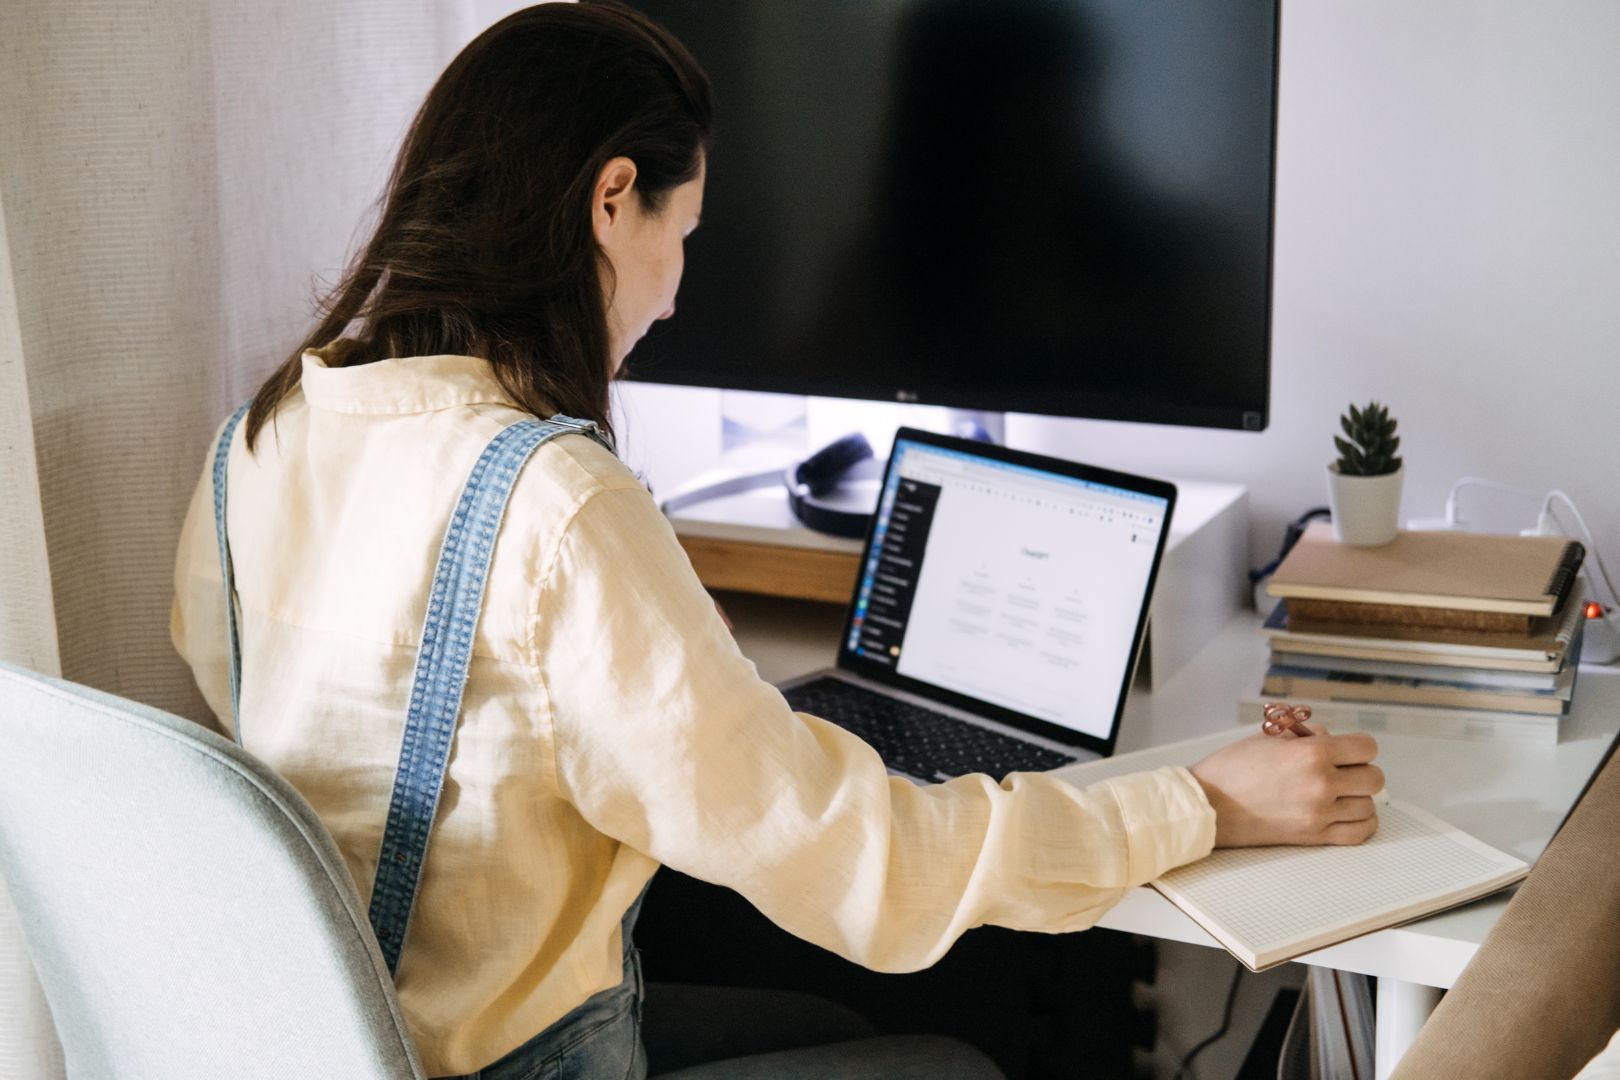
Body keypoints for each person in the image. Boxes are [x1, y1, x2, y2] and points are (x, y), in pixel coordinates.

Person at [170, 3, 1383, 1077]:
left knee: (831, 1028)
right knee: (949, 1064)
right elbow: (862, 861)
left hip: (338, 1034)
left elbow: (271, 723)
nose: (675, 292)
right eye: (684, 233)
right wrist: (1197, 804)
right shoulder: (559, 505)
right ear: (610, 197)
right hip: (505, 1058)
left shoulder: (259, 440)